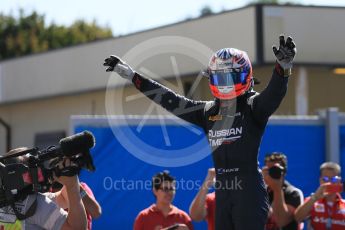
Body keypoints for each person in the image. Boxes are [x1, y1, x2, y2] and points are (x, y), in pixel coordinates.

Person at [104, 35, 296, 229]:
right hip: (223, 190)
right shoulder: (207, 111)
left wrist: (283, 69)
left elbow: (273, 95)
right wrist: (133, 76)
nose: (224, 83)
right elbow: (169, 100)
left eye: (229, 77)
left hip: (248, 190)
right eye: (219, 77)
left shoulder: (252, 105)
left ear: (244, 76)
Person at [0, 147, 87, 230]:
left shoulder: (7, 200)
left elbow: (63, 198)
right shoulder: (36, 205)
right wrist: (72, 184)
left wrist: (65, 169)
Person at [295, 162, 345, 230]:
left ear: (339, 181)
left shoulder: (344, 204)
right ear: (320, 180)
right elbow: (297, 218)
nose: (330, 182)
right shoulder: (312, 201)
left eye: (334, 179)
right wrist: (314, 198)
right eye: (325, 179)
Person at [262, 152, 304, 230]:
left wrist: (277, 189)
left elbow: (282, 221)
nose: (273, 172)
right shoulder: (261, 191)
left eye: (276, 169)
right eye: (270, 170)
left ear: (283, 172)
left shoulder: (293, 193)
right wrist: (261, 182)